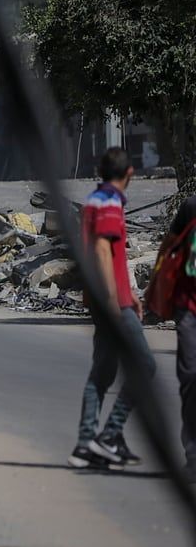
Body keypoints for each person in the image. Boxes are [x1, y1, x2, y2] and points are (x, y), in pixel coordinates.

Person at [66, 148, 157, 470]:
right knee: (145, 366)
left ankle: (85, 444)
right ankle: (110, 433)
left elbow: (109, 255)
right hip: (111, 303)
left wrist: (129, 291)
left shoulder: (94, 200)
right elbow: (103, 251)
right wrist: (113, 299)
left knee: (101, 373)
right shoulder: (109, 202)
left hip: (109, 298)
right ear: (129, 173)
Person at [152, 192, 196, 482]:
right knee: (190, 374)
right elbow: (168, 244)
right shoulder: (191, 205)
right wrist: (156, 281)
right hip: (188, 305)